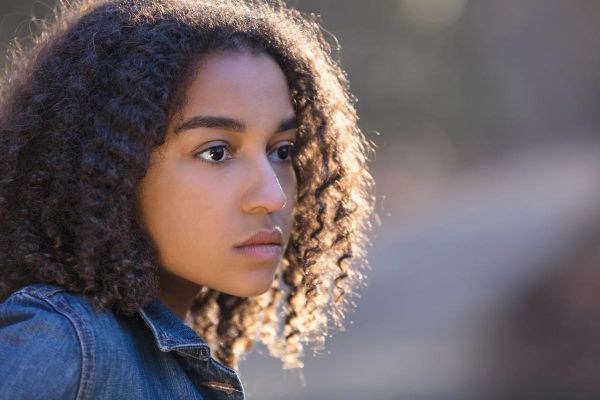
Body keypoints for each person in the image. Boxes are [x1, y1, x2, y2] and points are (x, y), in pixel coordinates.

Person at [0, 0, 376, 398]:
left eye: (281, 151)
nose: (273, 196)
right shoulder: (67, 346)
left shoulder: (150, 353)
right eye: (216, 152)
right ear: (106, 166)